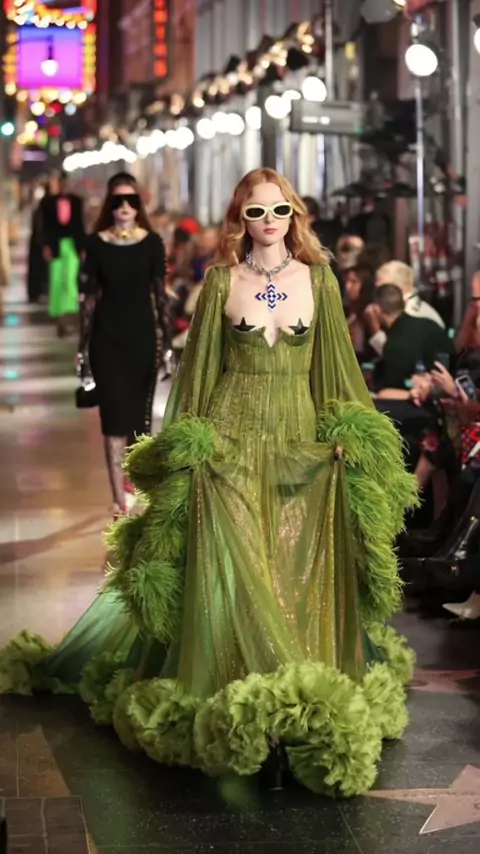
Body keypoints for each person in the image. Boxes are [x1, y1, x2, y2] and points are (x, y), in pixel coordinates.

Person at [0, 169, 417, 798]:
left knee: (288, 562)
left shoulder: (321, 281)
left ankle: (293, 692)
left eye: (279, 210)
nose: (269, 221)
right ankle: (240, 687)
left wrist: (343, 434)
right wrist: (189, 448)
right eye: (256, 212)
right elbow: (198, 375)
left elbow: (336, 369)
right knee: (238, 559)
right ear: (238, 218)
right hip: (230, 440)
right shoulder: (222, 281)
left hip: (299, 443)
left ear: (294, 214)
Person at [77, 172, 171, 517]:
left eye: (131, 200)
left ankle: (134, 484)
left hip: (142, 340)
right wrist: (82, 349)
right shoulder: (96, 244)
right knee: (114, 419)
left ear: (139, 204)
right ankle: (119, 499)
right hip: (107, 341)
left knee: (139, 422)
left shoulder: (152, 243)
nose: (125, 207)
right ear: (109, 204)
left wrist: (167, 341)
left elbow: (160, 295)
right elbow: (88, 299)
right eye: (118, 200)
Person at [373, 285, 452, 393]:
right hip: (453, 388)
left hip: (424, 398)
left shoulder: (394, 345)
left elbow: (388, 388)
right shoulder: (430, 324)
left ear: (376, 310)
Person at [366, 260, 445, 357]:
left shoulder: (414, 315)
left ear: (402, 290)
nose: (377, 297)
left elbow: (398, 357)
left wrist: (375, 331)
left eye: (383, 290)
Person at [42, 172, 86, 336]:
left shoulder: (77, 201)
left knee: (71, 278)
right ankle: (59, 313)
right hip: (56, 245)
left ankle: (70, 313)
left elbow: (80, 225)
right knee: (56, 279)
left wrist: (83, 247)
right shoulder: (48, 203)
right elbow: (45, 227)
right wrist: (46, 246)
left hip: (72, 245)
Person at [343, 260, 376, 361]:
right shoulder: (345, 311)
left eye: (354, 282)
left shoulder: (372, 312)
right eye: (346, 282)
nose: (347, 287)